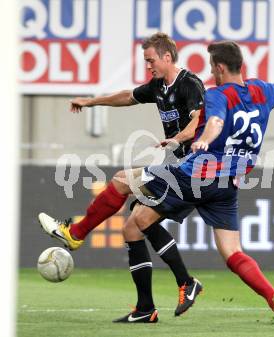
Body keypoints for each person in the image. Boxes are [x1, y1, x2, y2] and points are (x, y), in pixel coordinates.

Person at [119, 40, 274, 332]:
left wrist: (204, 137)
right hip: (228, 184)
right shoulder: (265, 90)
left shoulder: (218, 93)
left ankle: (77, 233)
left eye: (211, 67)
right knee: (233, 252)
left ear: (218, 68)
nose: (210, 72)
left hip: (198, 176)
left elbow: (215, 121)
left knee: (125, 191)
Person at [38, 32, 204, 322]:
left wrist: (177, 139)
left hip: (192, 169)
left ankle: (75, 234)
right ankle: (147, 308)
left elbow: (198, 122)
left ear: (167, 57)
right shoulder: (158, 87)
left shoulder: (190, 84)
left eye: (151, 60)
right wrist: (91, 102)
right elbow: (128, 96)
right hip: (178, 168)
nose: (148, 65)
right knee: (133, 227)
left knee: (121, 181)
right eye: (145, 61)